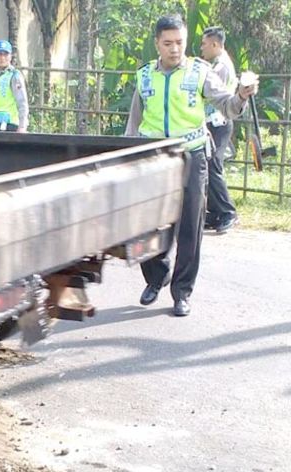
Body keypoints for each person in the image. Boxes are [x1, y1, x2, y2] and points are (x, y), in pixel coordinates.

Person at [125, 15, 257, 317]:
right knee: (145, 223)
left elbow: (227, 104)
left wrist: (241, 95)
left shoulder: (200, 72)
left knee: (190, 226)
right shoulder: (144, 76)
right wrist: (128, 152)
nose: (174, 49)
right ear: (157, 43)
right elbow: (134, 121)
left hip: (192, 155)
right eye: (168, 43)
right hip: (153, 158)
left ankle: (182, 292)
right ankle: (157, 276)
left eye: (180, 43)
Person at [200, 26, 239, 233]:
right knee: (208, 165)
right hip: (215, 123)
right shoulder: (217, 63)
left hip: (219, 123)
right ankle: (215, 213)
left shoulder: (221, 67)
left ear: (215, 44)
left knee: (213, 165)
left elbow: (212, 95)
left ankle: (228, 212)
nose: (201, 48)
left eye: (204, 44)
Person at [0, 40, 29, 132]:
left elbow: (22, 102)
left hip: (11, 125)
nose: (2, 58)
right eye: (0, 54)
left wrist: (22, 126)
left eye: (5, 54)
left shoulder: (14, 76)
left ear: (10, 57)